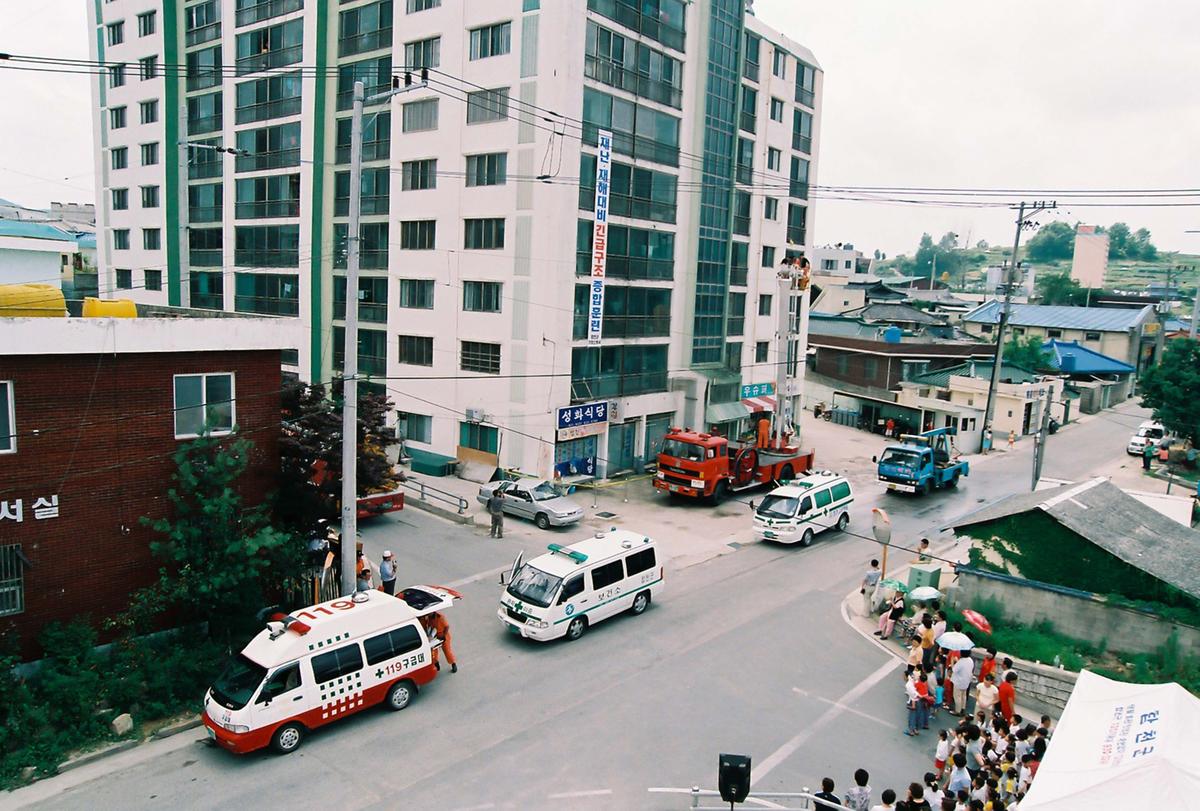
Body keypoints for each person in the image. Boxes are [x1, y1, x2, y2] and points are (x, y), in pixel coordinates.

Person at [950, 653, 975, 717]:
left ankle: (958, 711)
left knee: (957, 696)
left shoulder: (961, 661)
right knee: (964, 696)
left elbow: (954, 669)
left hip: (958, 682)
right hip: (966, 681)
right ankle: (963, 709)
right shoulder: (970, 660)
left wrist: (953, 661)